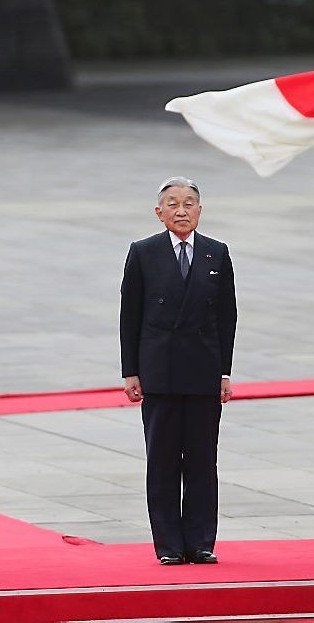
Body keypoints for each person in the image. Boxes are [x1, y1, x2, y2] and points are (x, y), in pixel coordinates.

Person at [120, 176, 236, 565]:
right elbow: (130, 316)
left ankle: (201, 542)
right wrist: (131, 371)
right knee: (164, 460)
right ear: (159, 213)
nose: (181, 210)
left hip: (203, 370)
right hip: (160, 371)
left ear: (200, 211)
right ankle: (169, 544)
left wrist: (224, 372)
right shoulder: (143, 252)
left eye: (189, 203)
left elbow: (226, 317)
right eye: (172, 203)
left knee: (203, 460)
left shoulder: (216, 253)